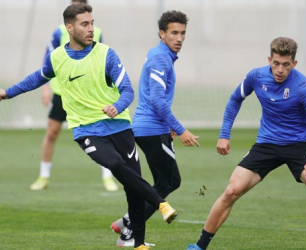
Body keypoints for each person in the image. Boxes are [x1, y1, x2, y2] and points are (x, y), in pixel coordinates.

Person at [0, 4, 177, 250]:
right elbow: (36, 78)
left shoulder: (107, 54)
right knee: (114, 164)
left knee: (133, 185)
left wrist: (117, 105)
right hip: (87, 131)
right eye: (85, 24)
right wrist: (7, 93)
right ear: (69, 27)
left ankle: (136, 243)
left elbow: (128, 90)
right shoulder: (57, 57)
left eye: (92, 23)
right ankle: (160, 203)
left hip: (120, 126)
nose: (91, 28)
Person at [187, 37, 306, 250]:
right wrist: (224, 134)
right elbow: (235, 98)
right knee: (231, 191)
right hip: (267, 143)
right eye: (276, 63)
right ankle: (199, 247)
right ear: (269, 60)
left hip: (300, 144)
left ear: (294, 64)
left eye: (286, 64)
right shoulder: (256, 76)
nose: (280, 69)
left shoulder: (304, 87)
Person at [109, 10, 200, 247]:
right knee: (167, 182)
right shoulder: (161, 58)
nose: (179, 38)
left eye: (182, 33)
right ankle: (128, 231)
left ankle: (127, 222)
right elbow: (158, 100)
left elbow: (154, 97)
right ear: (162, 34)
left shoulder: (160, 54)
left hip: (151, 127)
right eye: (174, 33)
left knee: (168, 181)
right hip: (151, 128)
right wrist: (180, 129)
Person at [30, 0, 119, 192]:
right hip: (62, 93)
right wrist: (45, 88)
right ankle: (43, 176)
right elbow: (47, 61)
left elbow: (101, 59)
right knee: (52, 133)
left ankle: (107, 177)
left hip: (88, 94)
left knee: (102, 134)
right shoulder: (59, 32)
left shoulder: (96, 32)